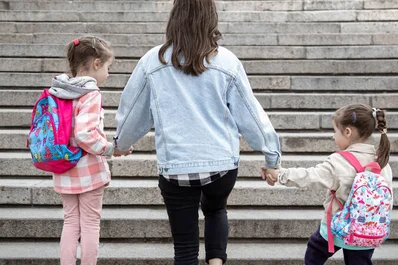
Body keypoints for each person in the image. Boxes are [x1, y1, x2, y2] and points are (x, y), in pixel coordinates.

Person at [113, 0, 281, 264]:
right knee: (216, 210)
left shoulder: (152, 60)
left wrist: (121, 143)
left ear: (174, 19)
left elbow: (133, 110)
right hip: (221, 165)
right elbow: (251, 116)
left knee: (185, 248)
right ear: (210, 20)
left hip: (176, 166)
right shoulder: (226, 61)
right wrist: (272, 158)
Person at [262, 104, 393, 265]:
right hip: (366, 231)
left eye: (335, 131)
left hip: (336, 228)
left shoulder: (339, 161)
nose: (333, 136)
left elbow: (309, 176)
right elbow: (387, 199)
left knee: (315, 252)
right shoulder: (382, 161)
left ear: (347, 132)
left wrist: (280, 174)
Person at [50, 36, 131, 265]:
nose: (108, 73)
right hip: (88, 169)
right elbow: (85, 134)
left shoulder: (58, 91)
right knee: (89, 223)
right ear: (96, 63)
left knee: (70, 222)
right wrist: (110, 149)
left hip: (63, 166)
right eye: (108, 67)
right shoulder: (90, 93)